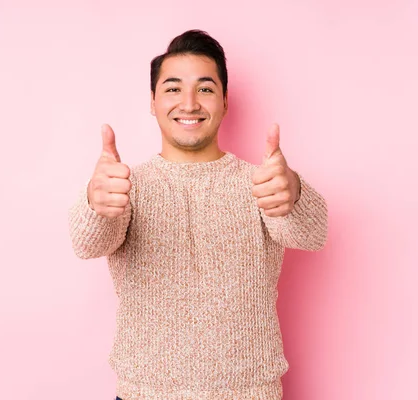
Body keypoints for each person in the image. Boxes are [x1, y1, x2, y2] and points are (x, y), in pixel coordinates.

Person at [68, 29, 328, 400]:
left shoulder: (262, 183)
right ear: (153, 101)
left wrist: (295, 189)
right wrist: (96, 204)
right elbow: (87, 243)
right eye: (173, 89)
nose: (189, 103)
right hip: (145, 393)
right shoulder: (125, 185)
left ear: (224, 101)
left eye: (205, 89)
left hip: (250, 393)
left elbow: (312, 234)